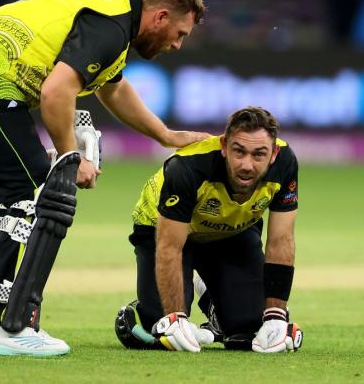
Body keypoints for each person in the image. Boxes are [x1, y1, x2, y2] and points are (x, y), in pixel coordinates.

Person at [0, 0, 209, 357]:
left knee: (22, 195)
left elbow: (114, 88)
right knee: (37, 196)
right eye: (180, 34)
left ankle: (7, 318)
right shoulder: (110, 25)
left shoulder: (115, 17)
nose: (177, 44)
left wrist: (166, 136)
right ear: (160, 17)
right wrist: (71, 157)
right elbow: (57, 91)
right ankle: (8, 325)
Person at [115, 107, 302, 353]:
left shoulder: (286, 164)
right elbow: (170, 246)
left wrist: (276, 316)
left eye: (259, 155)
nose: (247, 165)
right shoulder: (188, 167)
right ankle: (144, 310)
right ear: (224, 146)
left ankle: (212, 298)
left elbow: (281, 240)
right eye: (238, 151)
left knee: (249, 331)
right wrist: (174, 316)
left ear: (274, 153)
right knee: (160, 331)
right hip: (161, 229)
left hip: (232, 231)